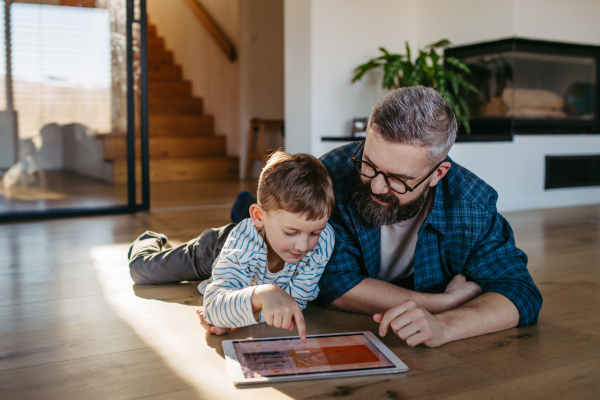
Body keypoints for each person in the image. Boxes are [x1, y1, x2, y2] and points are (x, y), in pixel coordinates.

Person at [317, 86, 543, 348]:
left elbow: (520, 293)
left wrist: (445, 325)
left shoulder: (472, 203)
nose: (377, 187)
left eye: (398, 179)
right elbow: (333, 281)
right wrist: (442, 302)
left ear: (438, 174)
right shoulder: (329, 178)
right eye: (368, 164)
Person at [128, 151, 336, 339]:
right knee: (141, 271)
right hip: (214, 249)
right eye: (291, 232)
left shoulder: (323, 240)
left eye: (314, 232)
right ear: (259, 216)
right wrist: (262, 295)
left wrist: (234, 316)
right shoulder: (242, 246)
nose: (303, 245)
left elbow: (293, 304)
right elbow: (214, 309)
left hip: (243, 271)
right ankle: (148, 240)